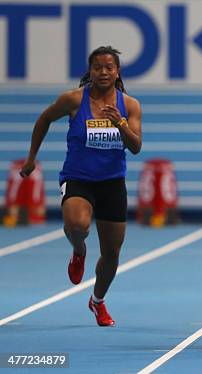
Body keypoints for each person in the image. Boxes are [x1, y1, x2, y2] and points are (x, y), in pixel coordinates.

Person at [19, 46, 142, 327]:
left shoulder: (130, 105)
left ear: (117, 72)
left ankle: (97, 301)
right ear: (90, 71)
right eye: (97, 67)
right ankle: (79, 251)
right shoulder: (73, 100)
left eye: (109, 67)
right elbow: (44, 119)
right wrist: (31, 158)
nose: (103, 72)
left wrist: (121, 124)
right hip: (78, 178)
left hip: (112, 183)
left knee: (111, 255)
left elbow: (135, 147)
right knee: (77, 226)